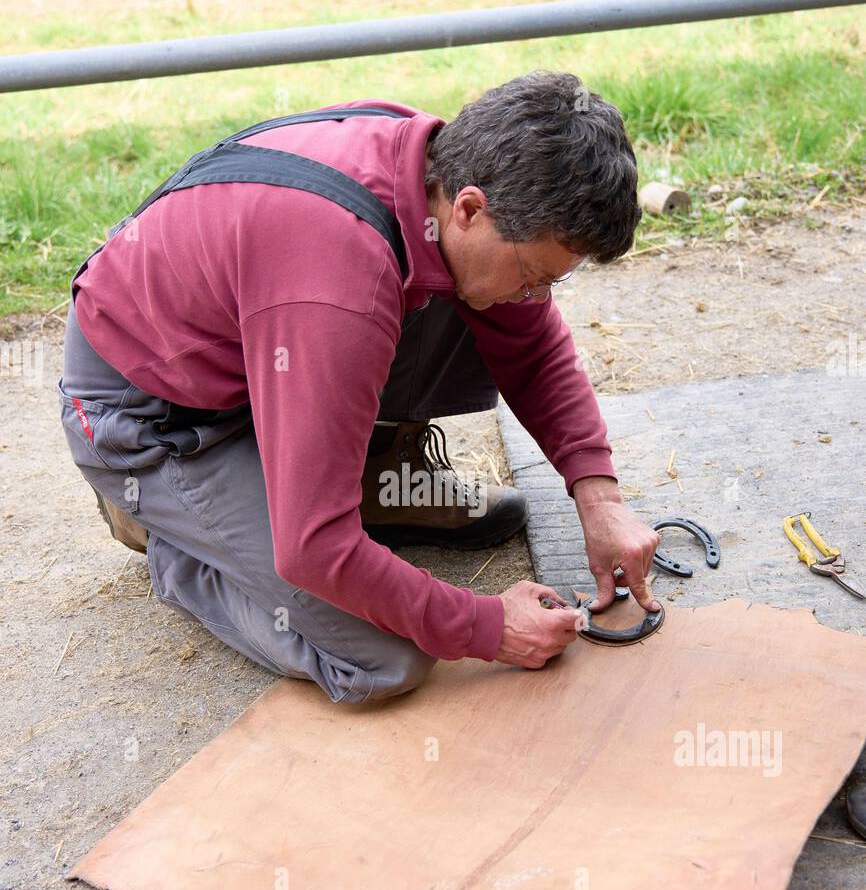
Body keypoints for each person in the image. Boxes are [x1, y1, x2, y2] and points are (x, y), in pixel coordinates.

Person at [57, 69, 660, 705]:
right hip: (152, 417)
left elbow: (532, 347)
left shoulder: (441, 171)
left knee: (481, 296)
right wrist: (486, 625)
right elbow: (314, 548)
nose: (537, 298)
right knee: (385, 659)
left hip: (264, 354)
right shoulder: (339, 279)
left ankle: (366, 477)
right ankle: (168, 533)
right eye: (536, 275)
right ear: (471, 209)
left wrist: (599, 500)